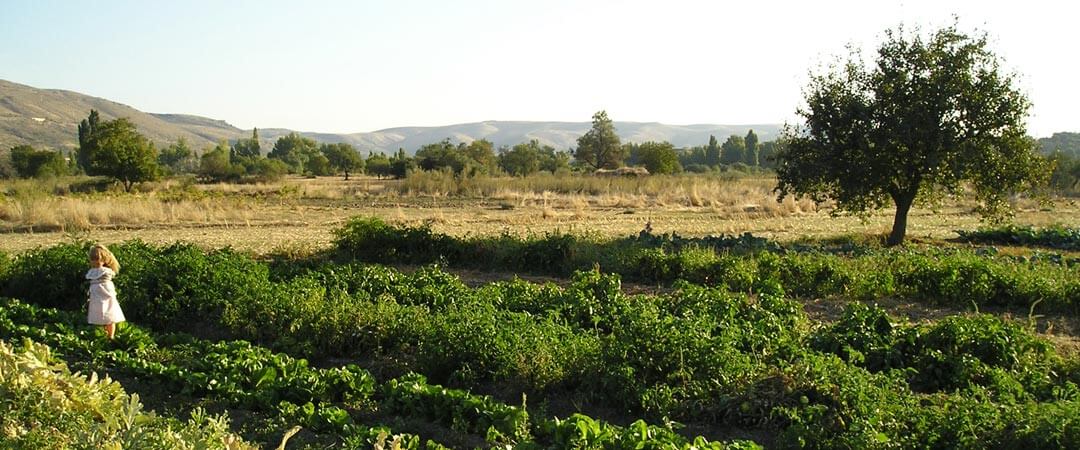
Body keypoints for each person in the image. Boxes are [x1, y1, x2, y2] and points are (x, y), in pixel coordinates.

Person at [86, 244, 125, 339]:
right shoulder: (92, 272)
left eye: (97, 259)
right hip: (96, 296)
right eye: (92, 259)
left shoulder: (106, 271)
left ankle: (110, 336)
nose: (94, 262)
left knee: (109, 316)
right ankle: (103, 335)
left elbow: (106, 284)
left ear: (103, 260)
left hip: (105, 295)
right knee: (99, 315)